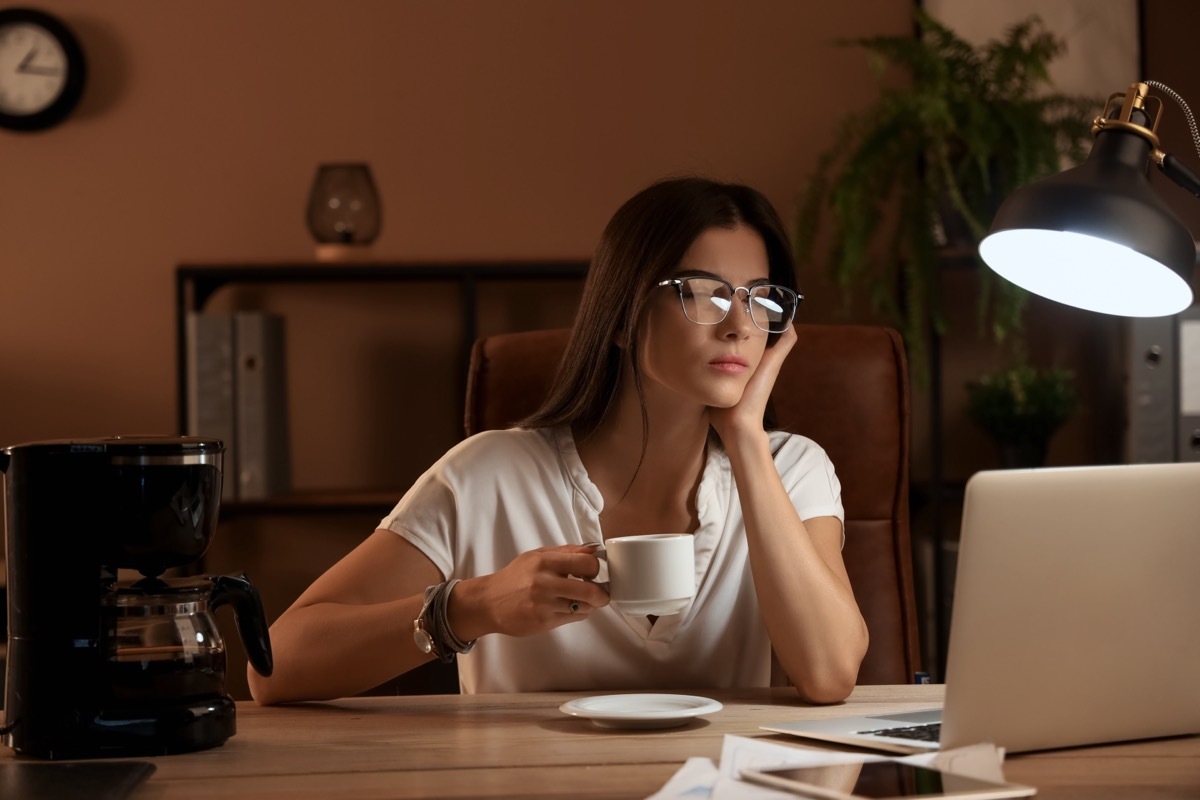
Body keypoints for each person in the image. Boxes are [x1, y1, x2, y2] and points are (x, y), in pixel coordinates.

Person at [248, 176, 868, 706]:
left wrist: (747, 442)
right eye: (703, 293)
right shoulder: (489, 475)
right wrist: (474, 606)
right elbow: (274, 666)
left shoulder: (792, 468)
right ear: (624, 317)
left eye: (762, 299)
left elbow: (830, 672)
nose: (739, 325)